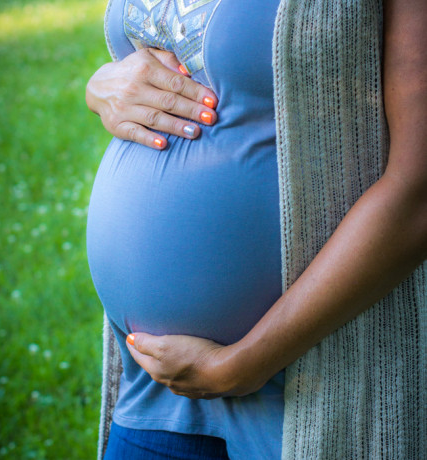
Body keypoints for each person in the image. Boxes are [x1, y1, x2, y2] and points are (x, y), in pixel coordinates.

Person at [85, 0, 427, 458]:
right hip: (154, 389)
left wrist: (244, 363)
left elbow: (418, 189)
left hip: (318, 393)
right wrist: (103, 84)